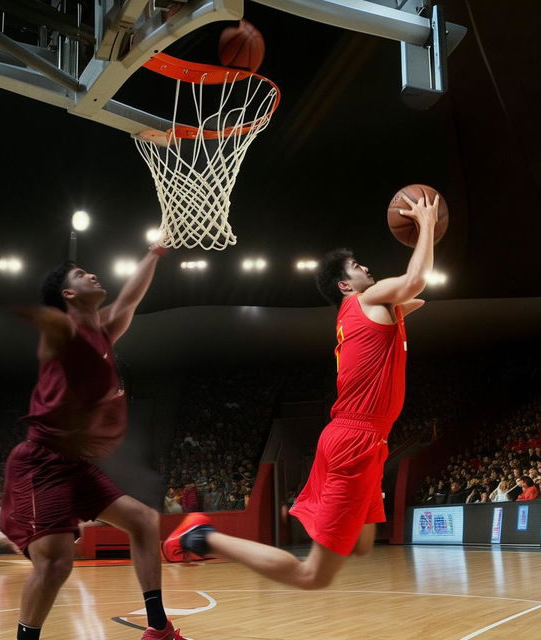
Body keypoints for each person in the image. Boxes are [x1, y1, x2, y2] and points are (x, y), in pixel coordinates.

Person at [163, 191, 439, 590]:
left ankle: (293, 517)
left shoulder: (363, 311)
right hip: (354, 441)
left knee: (361, 546)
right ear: (346, 284)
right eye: (357, 267)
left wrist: (406, 285)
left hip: (364, 438)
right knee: (313, 576)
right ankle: (202, 536)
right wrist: (427, 225)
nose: (366, 267)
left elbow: (415, 297)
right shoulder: (364, 301)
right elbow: (416, 283)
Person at [0, 245, 186, 640]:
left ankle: (158, 629)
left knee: (145, 520)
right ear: (67, 294)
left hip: (74, 463)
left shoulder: (104, 330)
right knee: (55, 564)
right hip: (41, 463)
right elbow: (53, 329)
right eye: (81, 274)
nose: (93, 275)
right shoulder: (63, 332)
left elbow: (131, 297)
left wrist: (154, 253)